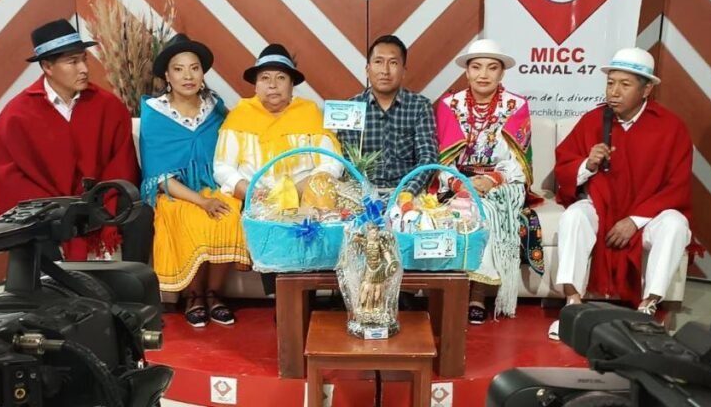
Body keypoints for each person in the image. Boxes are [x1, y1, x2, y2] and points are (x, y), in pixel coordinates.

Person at [548, 47, 697, 341]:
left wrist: (635, 220)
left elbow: (678, 186)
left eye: (625, 84)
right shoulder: (593, 121)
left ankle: (647, 309)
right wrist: (588, 164)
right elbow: (564, 166)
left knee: (675, 224)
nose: (614, 92)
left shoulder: (671, 127)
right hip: (601, 209)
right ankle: (572, 306)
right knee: (574, 217)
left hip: (648, 217)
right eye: (610, 83)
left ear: (646, 89)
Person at [0, 18, 151, 262]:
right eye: (73, 62)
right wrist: (58, 207)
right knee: (31, 227)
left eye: (84, 59)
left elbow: (123, 162)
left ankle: (134, 281)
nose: (84, 69)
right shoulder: (16, 116)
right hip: (48, 206)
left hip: (99, 199)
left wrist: (100, 198)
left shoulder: (108, 106)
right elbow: (11, 178)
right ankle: (56, 285)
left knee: (140, 213)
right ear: (47, 66)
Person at [213, 44, 343, 293]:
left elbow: (331, 161)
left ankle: (312, 292)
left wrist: (301, 188)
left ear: (292, 84)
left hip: (305, 196)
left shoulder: (309, 113)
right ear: (256, 85)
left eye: (281, 78)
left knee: (318, 205)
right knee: (269, 221)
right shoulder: (240, 115)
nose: (272, 85)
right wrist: (252, 192)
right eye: (265, 78)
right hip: (259, 198)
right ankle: (282, 299)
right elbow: (222, 167)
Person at [139, 34, 246, 327]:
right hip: (175, 191)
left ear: (202, 73)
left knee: (230, 213)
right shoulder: (155, 113)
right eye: (179, 69)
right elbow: (159, 177)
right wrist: (201, 201)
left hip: (214, 185)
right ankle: (193, 295)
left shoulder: (215, 107)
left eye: (194, 68)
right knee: (190, 217)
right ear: (167, 76)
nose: (188, 76)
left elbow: (234, 144)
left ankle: (214, 294)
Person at [436, 39, 537, 323]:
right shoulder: (449, 105)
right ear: (467, 72)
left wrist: (492, 180)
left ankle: (477, 294)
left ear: (501, 73)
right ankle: (452, 291)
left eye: (492, 68)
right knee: (457, 211)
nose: (483, 74)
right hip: (459, 180)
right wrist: (460, 184)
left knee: (488, 211)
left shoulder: (516, 105)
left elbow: (519, 162)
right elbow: (442, 158)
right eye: (476, 67)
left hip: (501, 181)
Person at [336, 35, 437, 195]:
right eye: (378, 62)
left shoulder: (420, 106)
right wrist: (365, 195)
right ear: (367, 69)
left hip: (408, 193)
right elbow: (345, 160)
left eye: (393, 63)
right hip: (361, 194)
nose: (385, 71)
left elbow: (428, 157)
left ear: (403, 71)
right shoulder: (352, 108)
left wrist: (408, 192)